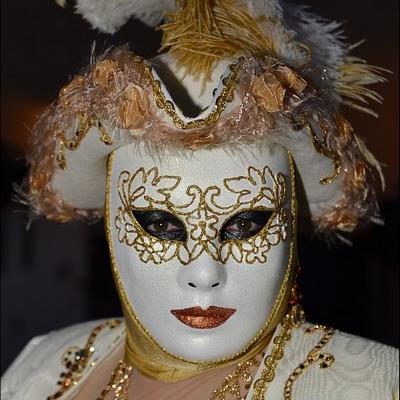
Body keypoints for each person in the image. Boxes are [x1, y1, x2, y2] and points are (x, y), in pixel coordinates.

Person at [1, 1, 398, 399]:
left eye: (245, 224)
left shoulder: (377, 384)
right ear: (111, 222)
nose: (204, 273)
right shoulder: (43, 366)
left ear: (290, 224)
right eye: (159, 224)